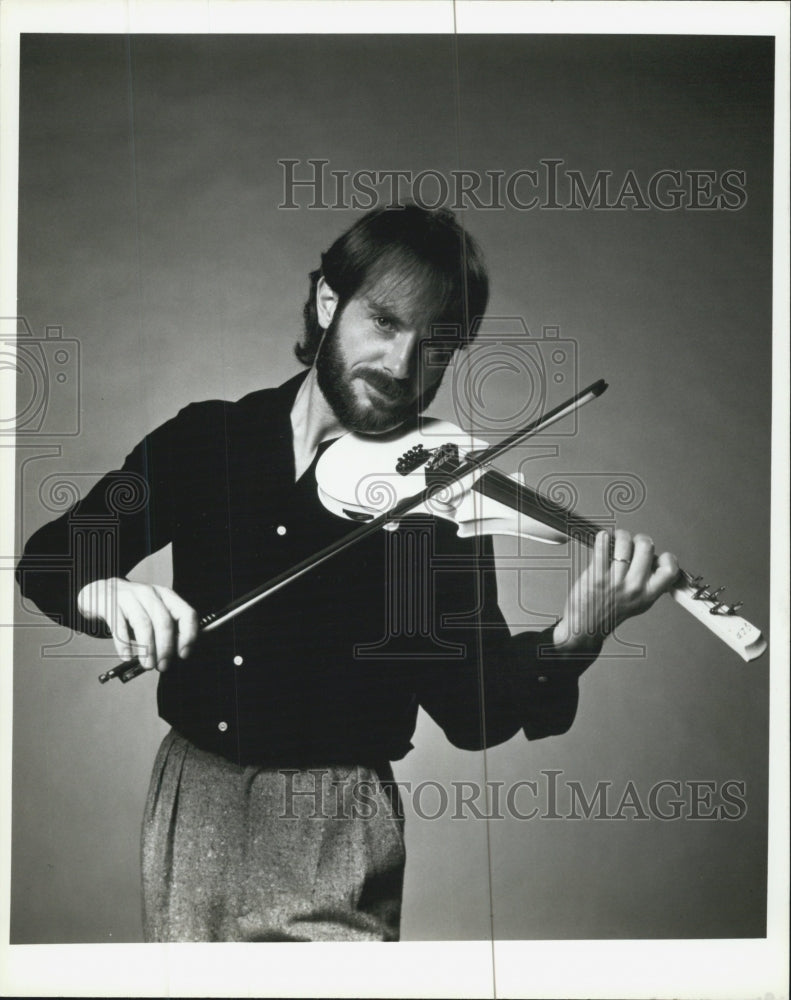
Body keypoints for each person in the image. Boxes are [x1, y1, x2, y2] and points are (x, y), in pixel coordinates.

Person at [15, 205, 679, 942]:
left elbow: (473, 712)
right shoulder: (209, 439)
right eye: (386, 323)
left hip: (333, 818)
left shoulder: (432, 503)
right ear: (329, 301)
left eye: (437, 346)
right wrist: (103, 589)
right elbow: (49, 558)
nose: (401, 366)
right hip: (190, 797)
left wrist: (572, 640)